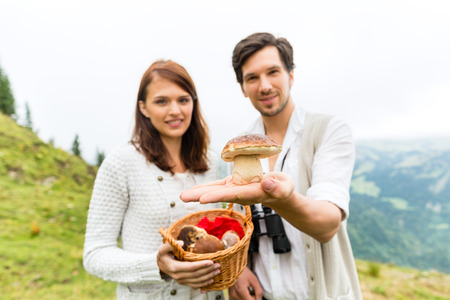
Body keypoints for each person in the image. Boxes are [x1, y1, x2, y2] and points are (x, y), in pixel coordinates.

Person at [180, 33, 363, 300]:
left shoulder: (329, 130)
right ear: (243, 88)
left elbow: (327, 225)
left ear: (291, 75)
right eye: (252, 78)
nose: (264, 86)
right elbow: (238, 224)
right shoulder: (240, 148)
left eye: (273, 72)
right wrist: (239, 271)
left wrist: (275, 199)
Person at [83, 60, 224, 299]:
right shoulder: (122, 162)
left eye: (183, 99)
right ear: (144, 108)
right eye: (161, 101)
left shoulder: (209, 164)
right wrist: (156, 265)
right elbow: (95, 254)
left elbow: (219, 236)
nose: (175, 110)